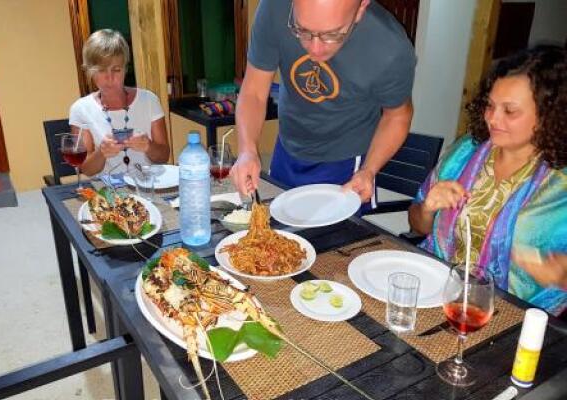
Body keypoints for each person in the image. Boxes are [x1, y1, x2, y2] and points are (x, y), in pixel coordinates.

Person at [408, 45, 567, 316]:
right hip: (439, 291)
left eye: (510, 111)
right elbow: (418, 225)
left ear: (548, 115)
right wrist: (426, 209)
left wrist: (561, 273)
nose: (492, 118)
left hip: (519, 317)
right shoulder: (465, 152)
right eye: (490, 106)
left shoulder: (560, 184)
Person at [231, 0, 415, 210]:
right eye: (302, 30)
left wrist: (369, 170)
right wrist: (247, 149)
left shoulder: (389, 47)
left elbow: (398, 116)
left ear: (361, 7)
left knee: (337, 242)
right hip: (287, 149)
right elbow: (254, 92)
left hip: (348, 164)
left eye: (332, 34)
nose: (315, 49)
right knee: (276, 235)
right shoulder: (274, 9)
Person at [69, 29, 170, 177]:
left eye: (116, 70)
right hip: (108, 191)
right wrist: (102, 152)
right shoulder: (81, 109)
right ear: (90, 72)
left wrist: (148, 145)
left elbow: (163, 156)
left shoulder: (149, 100)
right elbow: (86, 169)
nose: (109, 78)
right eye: (102, 70)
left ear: (125, 69)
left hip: (147, 185)